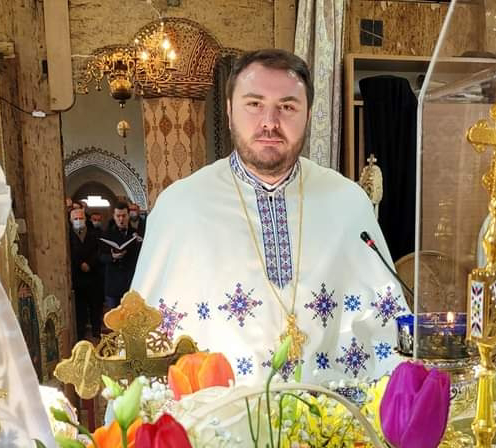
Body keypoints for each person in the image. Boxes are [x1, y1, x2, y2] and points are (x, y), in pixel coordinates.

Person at [131, 49, 407, 385]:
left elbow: (387, 327)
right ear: (230, 111)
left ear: (308, 115)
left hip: (329, 408)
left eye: (287, 107)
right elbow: (145, 342)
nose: (270, 123)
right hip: (223, 412)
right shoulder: (180, 207)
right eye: (254, 104)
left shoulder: (348, 203)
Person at [100, 202, 142, 310]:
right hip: (113, 282)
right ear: (114, 216)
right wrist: (112, 257)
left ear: (128, 215)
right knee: (114, 316)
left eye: (124, 216)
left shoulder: (136, 233)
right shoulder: (107, 234)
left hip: (130, 281)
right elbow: (101, 256)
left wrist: (140, 243)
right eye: (118, 216)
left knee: (131, 315)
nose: (121, 219)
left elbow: (141, 257)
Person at [68, 206, 102, 339]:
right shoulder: (68, 236)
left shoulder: (94, 234)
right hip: (77, 277)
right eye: (75, 218)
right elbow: (69, 253)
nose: (78, 221)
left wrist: (90, 264)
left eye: (80, 218)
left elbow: (98, 251)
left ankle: (96, 333)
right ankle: (80, 335)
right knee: (80, 309)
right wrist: (80, 264)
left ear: (85, 219)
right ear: (71, 221)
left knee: (95, 307)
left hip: (93, 276)